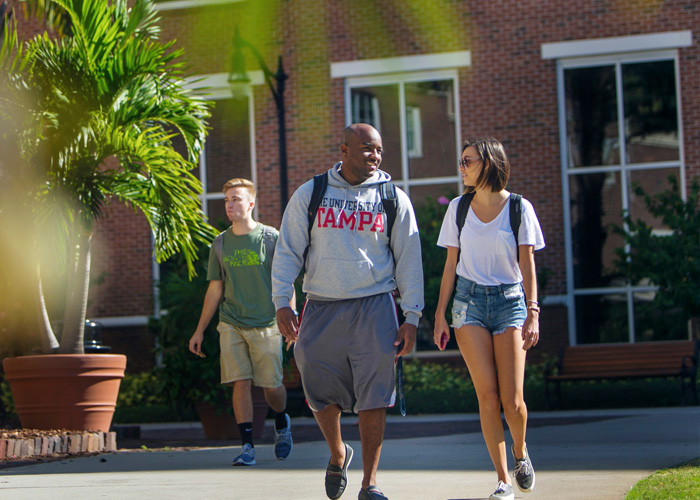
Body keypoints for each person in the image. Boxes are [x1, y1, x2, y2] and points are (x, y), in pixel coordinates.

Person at [272, 123, 424, 500]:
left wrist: (412, 316)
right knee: (318, 387)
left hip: (375, 305)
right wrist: (281, 302)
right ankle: (338, 453)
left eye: (379, 150)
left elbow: (409, 260)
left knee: (375, 394)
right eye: (367, 149)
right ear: (343, 150)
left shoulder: (392, 198)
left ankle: (369, 483)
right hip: (321, 304)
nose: (375, 156)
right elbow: (288, 251)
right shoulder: (312, 193)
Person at [433, 138, 545, 500]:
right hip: (468, 304)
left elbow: (527, 263)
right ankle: (502, 480)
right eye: (461, 161)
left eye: (468, 161)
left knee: (513, 401)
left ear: (488, 162)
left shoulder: (518, 207)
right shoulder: (458, 208)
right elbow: (450, 265)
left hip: (511, 301)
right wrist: (439, 315)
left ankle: (519, 452)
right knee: (488, 397)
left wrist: (533, 310)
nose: (461, 167)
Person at [189, 178, 293, 466]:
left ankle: (282, 420)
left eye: (236, 199)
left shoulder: (271, 238)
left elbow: (286, 281)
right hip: (231, 322)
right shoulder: (220, 243)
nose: (230, 204)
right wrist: (200, 330)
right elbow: (215, 288)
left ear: (251, 203)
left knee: (272, 387)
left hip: (267, 322)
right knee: (240, 382)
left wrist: (289, 317)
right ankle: (247, 447)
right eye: (226, 200)